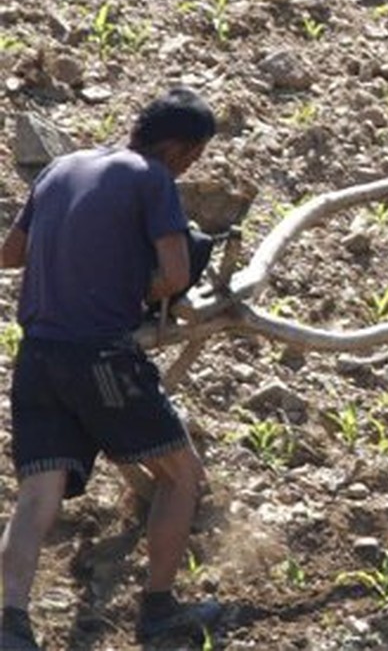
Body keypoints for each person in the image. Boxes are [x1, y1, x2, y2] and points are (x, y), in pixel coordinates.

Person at [0, 87, 222, 649]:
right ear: (177, 149)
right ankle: (159, 608)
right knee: (182, 478)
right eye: (192, 157)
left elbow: (11, 253)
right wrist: (137, 288)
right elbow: (173, 274)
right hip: (101, 357)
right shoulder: (153, 179)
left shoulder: (60, 167)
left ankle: (11, 622)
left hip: (38, 356)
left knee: (36, 496)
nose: (188, 167)